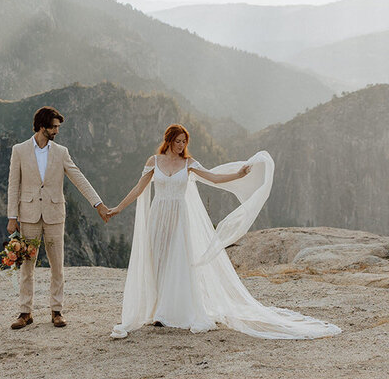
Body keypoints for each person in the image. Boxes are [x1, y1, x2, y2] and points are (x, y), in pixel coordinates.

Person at [105, 124, 340, 340]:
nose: (181, 146)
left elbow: (214, 178)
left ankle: (166, 313)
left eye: (184, 142)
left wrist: (238, 175)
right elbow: (139, 188)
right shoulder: (154, 161)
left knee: (177, 261)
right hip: (158, 216)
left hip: (179, 216)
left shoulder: (188, 163)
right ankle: (155, 308)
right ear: (168, 141)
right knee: (158, 260)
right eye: (177, 141)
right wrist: (117, 208)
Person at [6, 106, 111, 330]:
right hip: (29, 215)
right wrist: (12, 216)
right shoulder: (20, 150)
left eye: (58, 127)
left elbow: (78, 178)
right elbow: (13, 184)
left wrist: (98, 204)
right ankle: (25, 313)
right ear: (42, 127)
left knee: (57, 266)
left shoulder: (61, 152)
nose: (57, 131)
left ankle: (57, 311)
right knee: (27, 265)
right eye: (54, 127)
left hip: (54, 215)